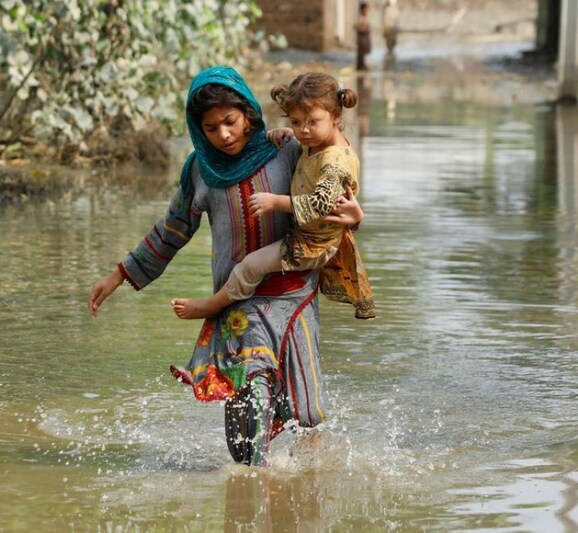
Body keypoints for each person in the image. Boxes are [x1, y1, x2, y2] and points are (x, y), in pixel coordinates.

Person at [87, 66, 364, 467]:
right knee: (248, 418)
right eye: (211, 128)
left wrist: (356, 216)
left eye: (231, 122)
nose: (224, 135)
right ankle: (250, 497)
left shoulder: (288, 149)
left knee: (307, 415)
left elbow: (334, 193)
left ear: (250, 114)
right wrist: (119, 274)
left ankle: (306, 497)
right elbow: (172, 230)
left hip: (295, 298)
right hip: (236, 304)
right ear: (198, 129)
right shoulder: (200, 170)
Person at [172, 72, 375, 321]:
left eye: (312, 121)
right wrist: (286, 133)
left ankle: (212, 305)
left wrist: (274, 202)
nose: (304, 130)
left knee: (249, 267)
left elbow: (320, 204)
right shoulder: (311, 145)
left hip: (311, 244)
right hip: (309, 237)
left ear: (336, 116)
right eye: (296, 122)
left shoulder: (335, 161)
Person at [355, 2, 371, 71]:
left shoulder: (365, 16)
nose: (367, 10)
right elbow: (356, 26)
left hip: (365, 35)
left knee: (364, 51)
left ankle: (363, 64)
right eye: (366, 9)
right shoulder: (360, 17)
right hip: (361, 35)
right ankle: (360, 65)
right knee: (361, 51)